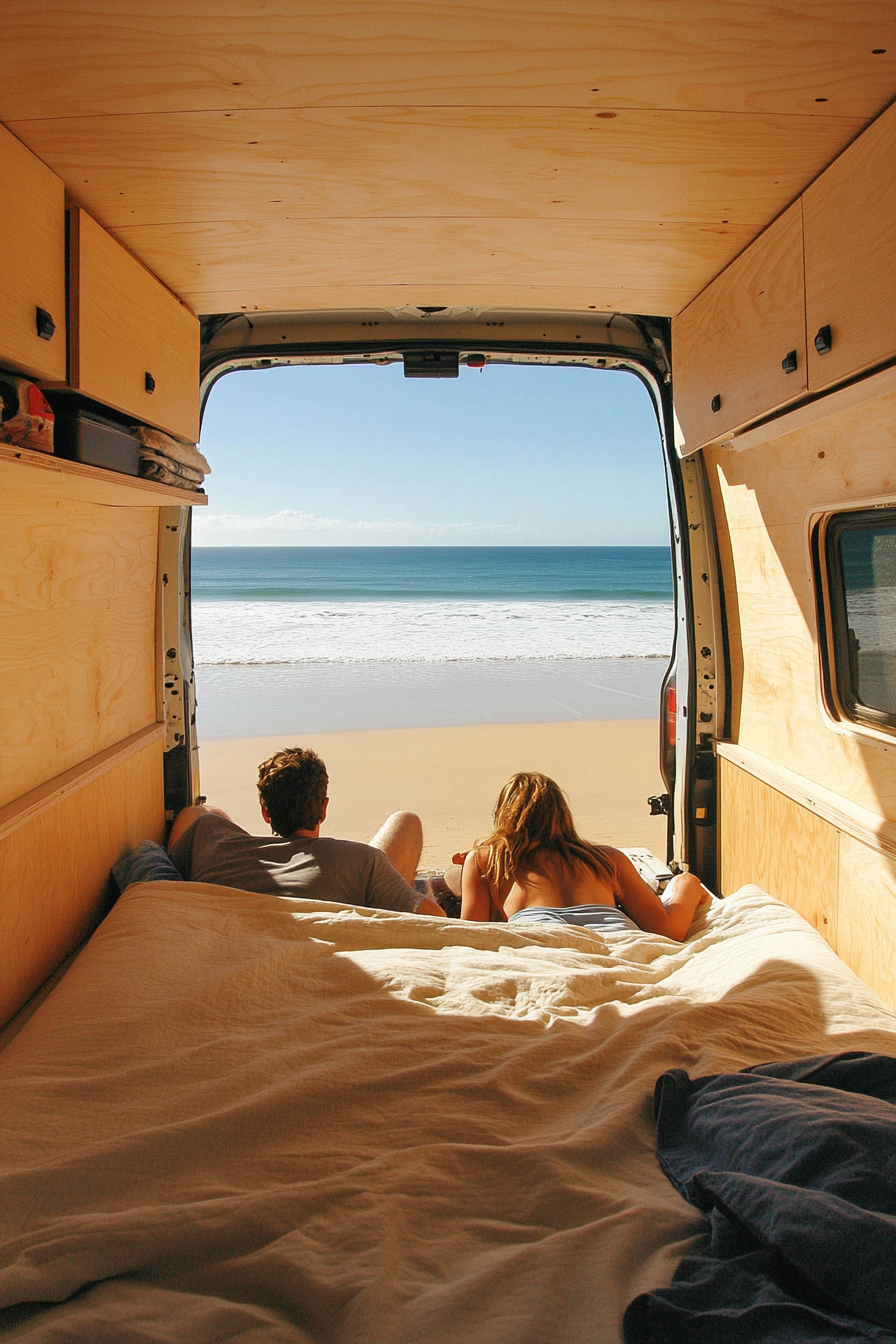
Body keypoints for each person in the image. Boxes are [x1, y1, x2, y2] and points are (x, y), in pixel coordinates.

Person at [167, 746, 444, 916]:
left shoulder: (209, 844)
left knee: (202, 812)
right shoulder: (363, 863)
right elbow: (435, 918)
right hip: (347, 886)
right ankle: (394, 895)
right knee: (405, 821)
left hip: (238, 868)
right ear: (323, 809)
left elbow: (190, 821)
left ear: (265, 812)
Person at [459, 772, 711, 941]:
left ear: (503, 815)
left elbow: (473, 938)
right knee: (684, 881)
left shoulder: (487, 861)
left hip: (542, 945)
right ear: (563, 813)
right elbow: (669, 931)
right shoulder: (606, 859)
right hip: (618, 943)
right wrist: (685, 883)